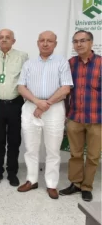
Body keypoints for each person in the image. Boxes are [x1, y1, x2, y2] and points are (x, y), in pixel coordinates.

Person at [17, 31, 73, 199]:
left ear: (55, 44)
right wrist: (37, 102)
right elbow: (21, 87)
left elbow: (66, 88)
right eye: (42, 40)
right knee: (31, 148)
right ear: (37, 43)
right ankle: (31, 180)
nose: (45, 43)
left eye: (50, 41)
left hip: (54, 108)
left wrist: (46, 104)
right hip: (30, 108)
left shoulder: (62, 62)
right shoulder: (29, 64)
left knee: (53, 149)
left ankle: (51, 184)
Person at [59, 30, 101, 202]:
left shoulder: (100, 63)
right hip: (75, 117)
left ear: (91, 42)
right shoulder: (70, 63)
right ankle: (75, 183)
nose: (79, 44)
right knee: (75, 154)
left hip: (97, 119)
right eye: (76, 41)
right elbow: (66, 91)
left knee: (92, 156)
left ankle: (87, 186)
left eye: (83, 41)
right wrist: (65, 114)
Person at [0, 29, 28, 186]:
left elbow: (26, 81)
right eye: (1, 38)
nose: (4, 40)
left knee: (14, 140)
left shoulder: (23, 57)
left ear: (13, 41)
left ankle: (12, 172)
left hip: (15, 103)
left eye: (7, 37)